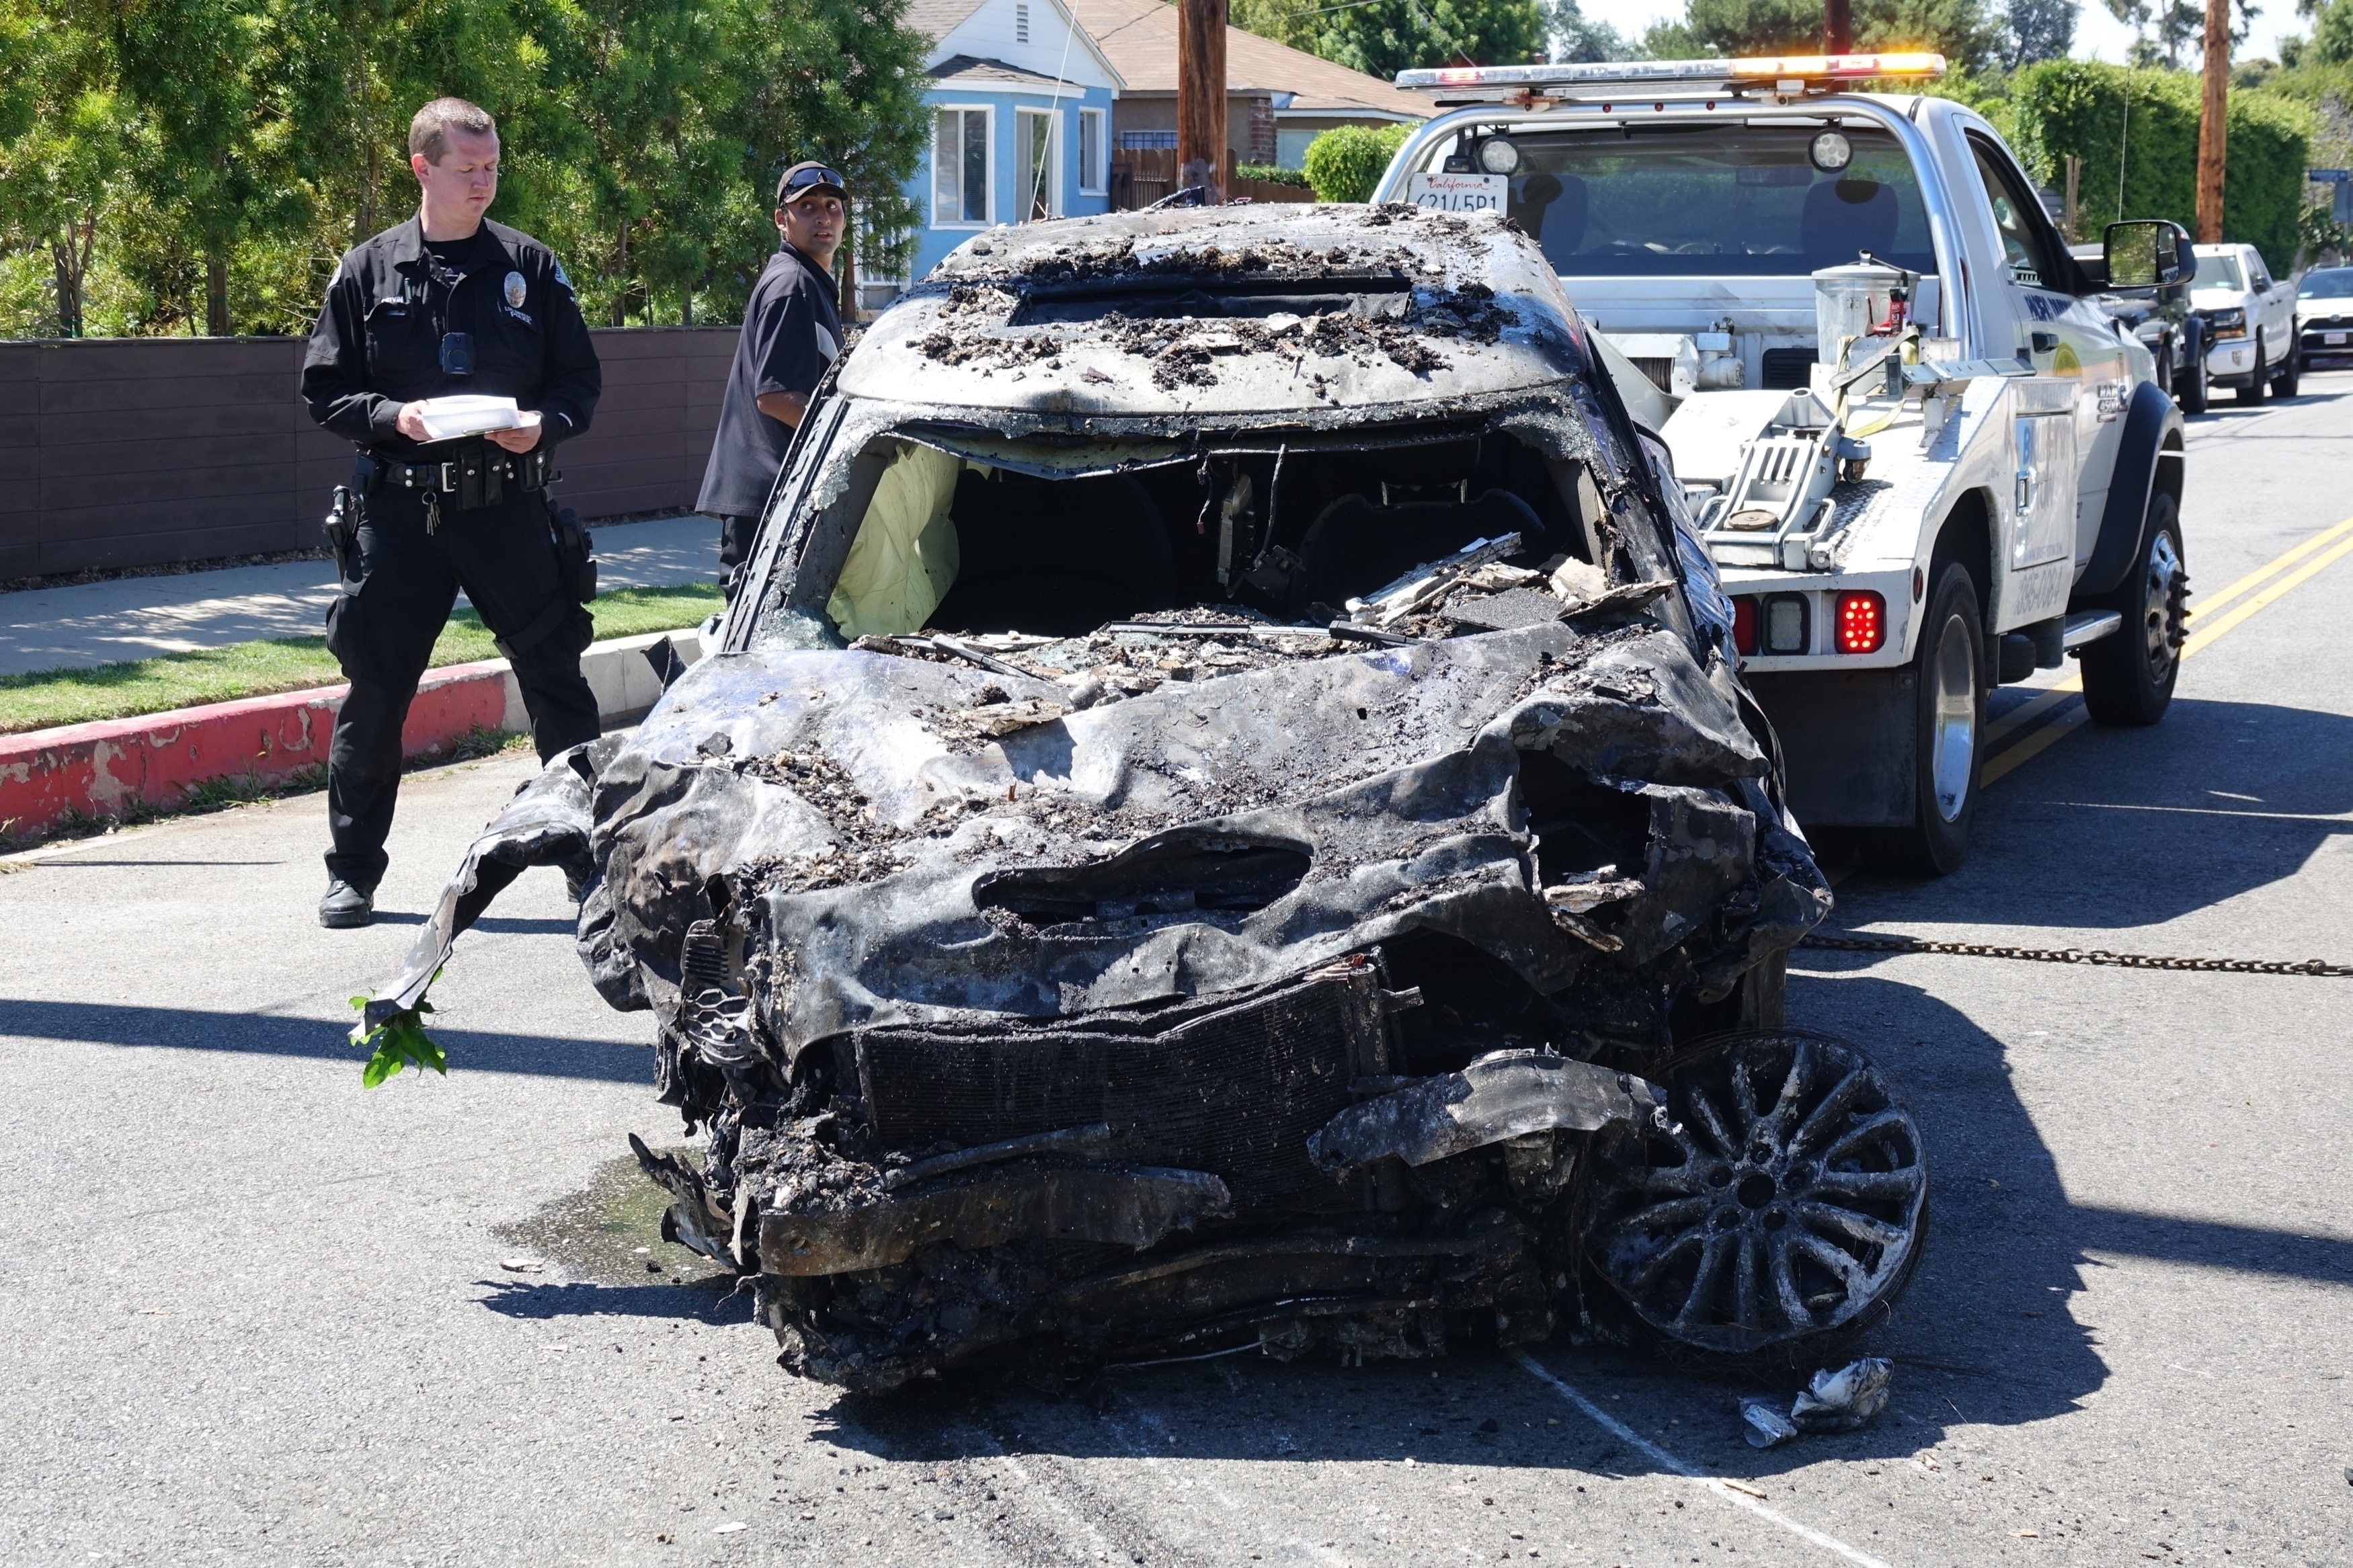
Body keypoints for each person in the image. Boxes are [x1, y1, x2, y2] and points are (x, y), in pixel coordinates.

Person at [301, 96, 603, 929]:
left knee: (557, 684)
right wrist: (391, 417)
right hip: (401, 516)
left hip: (507, 508)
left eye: (492, 165)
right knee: (376, 691)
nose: (484, 180)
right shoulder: (367, 270)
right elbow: (324, 389)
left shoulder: (531, 269)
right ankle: (353, 870)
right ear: (421, 168)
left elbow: (580, 383)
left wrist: (544, 426)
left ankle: (594, 865)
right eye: (468, 167)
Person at [696, 160, 848, 599]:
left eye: (832, 206)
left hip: (774, 499)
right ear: (782, 219)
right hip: (766, 505)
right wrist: (847, 439)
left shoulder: (808, 281)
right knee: (760, 655)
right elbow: (776, 396)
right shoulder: (792, 285)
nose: (823, 216)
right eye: (808, 207)